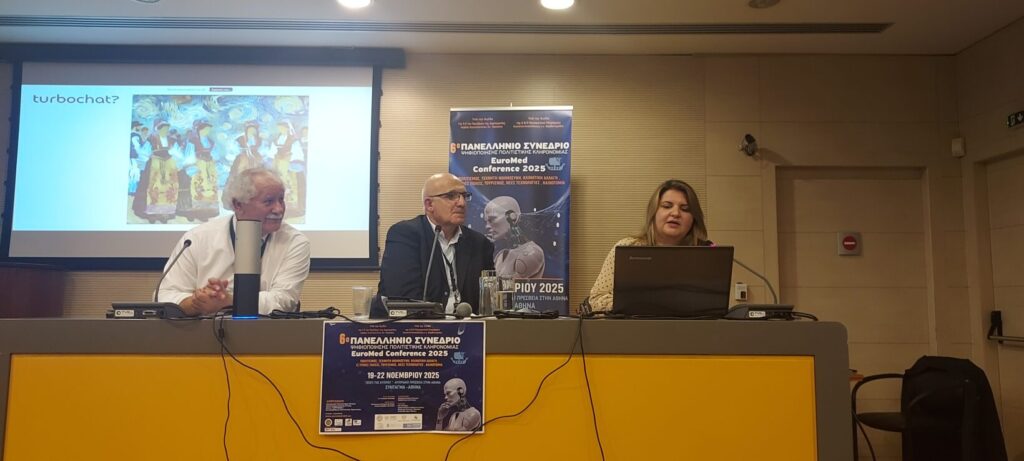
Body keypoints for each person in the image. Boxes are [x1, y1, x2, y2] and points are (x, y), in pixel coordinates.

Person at [158, 167, 310, 316]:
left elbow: (284, 301)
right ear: (238, 205)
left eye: (281, 199)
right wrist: (197, 303)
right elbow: (165, 295)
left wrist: (228, 302)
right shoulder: (198, 238)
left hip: (266, 330)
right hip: (199, 330)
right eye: (268, 201)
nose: (279, 209)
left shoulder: (294, 242)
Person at [375, 173, 495, 315]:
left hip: (466, 326)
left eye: (464, 196)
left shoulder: (479, 243)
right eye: (451, 196)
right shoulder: (405, 235)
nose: (462, 203)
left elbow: (487, 302)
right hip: (417, 326)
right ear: (429, 204)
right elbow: (402, 297)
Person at [588, 179, 710, 312]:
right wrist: (636, 305)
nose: (675, 213)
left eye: (685, 209)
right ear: (653, 212)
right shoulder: (628, 247)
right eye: (667, 206)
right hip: (634, 324)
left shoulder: (706, 255)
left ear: (694, 219)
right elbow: (596, 299)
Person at [483, 196, 545, 279]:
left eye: (492, 219)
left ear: (512, 217)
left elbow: (508, 286)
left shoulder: (532, 253)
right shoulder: (500, 256)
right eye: (486, 221)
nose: (487, 226)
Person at [132, 119, 179, 223]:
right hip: (154, 165)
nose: (166, 130)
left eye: (167, 128)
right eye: (163, 128)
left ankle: (165, 213)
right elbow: (143, 151)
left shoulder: (171, 140)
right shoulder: (152, 139)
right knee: (153, 188)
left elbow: (175, 152)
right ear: (158, 129)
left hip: (168, 165)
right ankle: (152, 213)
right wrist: (150, 157)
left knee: (168, 188)